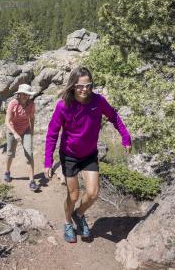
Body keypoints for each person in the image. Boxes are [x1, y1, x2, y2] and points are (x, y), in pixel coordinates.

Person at [44, 67, 132, 243]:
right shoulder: (63, 105)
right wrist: (48, 161)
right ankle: (68, 222)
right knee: (74, 195)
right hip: (69, 155)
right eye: (80, 86)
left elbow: (113, 116)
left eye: (88, 85)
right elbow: (52, 133)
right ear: (73, 86)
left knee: (92, 193)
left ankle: (79, 214)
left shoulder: (98, 101)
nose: (84, 89)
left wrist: (125, 136)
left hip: (89, 154)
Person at [4, 83, 38, 191]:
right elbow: (7, 121)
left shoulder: (31, 104)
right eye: (24, 94)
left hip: (25, 130)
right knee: (10, 154)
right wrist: (14, 133)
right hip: (12, 131)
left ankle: (32, 181)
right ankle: (7, 172)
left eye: (27, 94)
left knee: (29, 153)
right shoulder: (13, 104)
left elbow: (32, 118)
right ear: (19, 94)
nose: (26, 96)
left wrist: (31, 130)